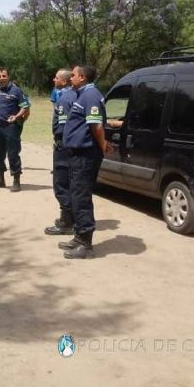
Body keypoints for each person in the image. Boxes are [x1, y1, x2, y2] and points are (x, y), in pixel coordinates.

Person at [58, 65, 111, 259]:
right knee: (76, 195)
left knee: (82, 197)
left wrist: (103, 143)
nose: (70, 78)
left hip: (85, 155)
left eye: (73, 75)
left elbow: (96, 125)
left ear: (82, 77)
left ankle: (85, 243)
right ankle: (78, 236)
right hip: (77, 154)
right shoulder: (82, 94)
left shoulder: (90, 95)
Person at [0, 68, 30, 192]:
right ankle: (0, 180)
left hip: (11, 127)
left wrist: (16, 116)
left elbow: (25, 107)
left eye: (4, 76)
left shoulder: (16, 91)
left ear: (8, 77)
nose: (2, 78)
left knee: (13, 154)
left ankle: (16, 181)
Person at [44, 69, 75, 236]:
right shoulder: (77, 94)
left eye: (56, 77)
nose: (53, 79)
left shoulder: (65, 97)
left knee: (61, 182)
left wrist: (61, 142)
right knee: (71, 182)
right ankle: (71, 217)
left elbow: (63, 126)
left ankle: (66, 222)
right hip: (72, 145)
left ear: (63, 81)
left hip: (64, 145)